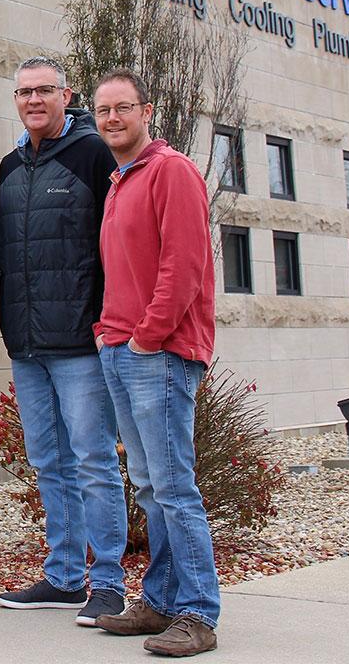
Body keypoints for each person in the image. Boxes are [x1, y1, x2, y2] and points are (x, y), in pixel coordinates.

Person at [0, 57, 128, 627]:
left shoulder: (93, 153)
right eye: (24, 92)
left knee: (93, 461)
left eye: (44, 90)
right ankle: (65, 577)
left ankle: (109, 584)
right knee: (49, 461)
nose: (33, 100)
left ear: (65, 94)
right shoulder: (10, 165)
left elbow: (114, 242)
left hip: (79, 340)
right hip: (27, 343)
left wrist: (107, 321)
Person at [91, 68, 220, 658]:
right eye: (102, 110)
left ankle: (197, 613)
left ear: (148, 112)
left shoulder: (172, 171)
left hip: (159, 354)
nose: (112, 118)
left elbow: (184, 266)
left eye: (123, 108)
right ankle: (164, 601)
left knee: (173, 487)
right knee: (149, 486)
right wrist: (111, 335)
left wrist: (147, 337)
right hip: (120, 349)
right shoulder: (123, 178)